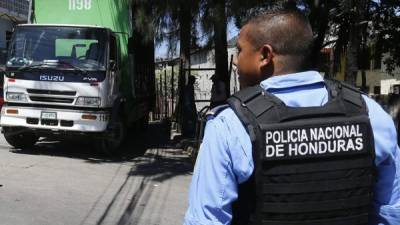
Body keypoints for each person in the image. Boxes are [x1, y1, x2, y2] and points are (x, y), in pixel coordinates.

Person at [183, 8, 400, 225]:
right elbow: (391, 213)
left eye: (239, 51)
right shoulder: (371, 114)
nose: (235, 62)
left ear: (265, 56)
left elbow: (205, 221)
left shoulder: (229, 126)